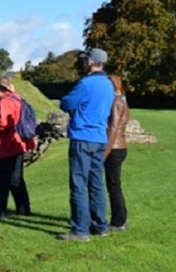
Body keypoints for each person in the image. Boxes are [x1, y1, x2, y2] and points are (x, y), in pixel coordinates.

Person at [58, 48, 115, 241]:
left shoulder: (86, 83)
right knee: (97, 183)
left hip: (83, 136)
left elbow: (66, 103)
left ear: (90, 62)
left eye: (85, 60)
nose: (83, 63)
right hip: (99, 137)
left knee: (79, 184)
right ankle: (100, 225)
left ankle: (80, 229)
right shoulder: (108, 84)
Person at [0, 77, 36, 220]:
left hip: (6, 145)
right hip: (19, 142)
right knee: (16, 178)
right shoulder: (17, 98)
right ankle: (23, 208)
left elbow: (3, 124)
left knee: (0, 180)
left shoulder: (5, 102)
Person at [105, 74, 130, 232]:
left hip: (114, 148)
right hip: (119, 147)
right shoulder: (122, 101)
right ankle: (119, 219)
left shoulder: (115, 102)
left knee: (113, 186)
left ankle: (119, 221)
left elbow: (113, 128)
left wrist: (105, 151)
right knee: (114, 184)